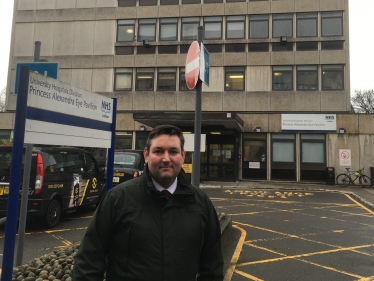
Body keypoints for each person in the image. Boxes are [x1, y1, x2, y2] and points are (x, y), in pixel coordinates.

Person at [73, 124, 224, 281]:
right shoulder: (117, 199)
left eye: (173, 151)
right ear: (146, 155)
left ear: (182, 155)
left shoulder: (201, 203)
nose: (166, 158)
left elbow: (212, 267)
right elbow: (88, 262)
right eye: (158, 151)